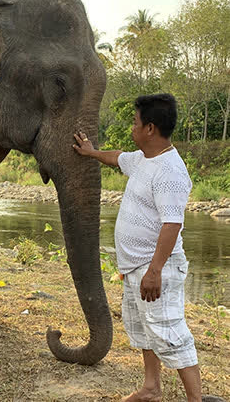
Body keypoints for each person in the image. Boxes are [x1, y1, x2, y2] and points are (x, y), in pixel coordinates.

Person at [73, 93, 201, 402]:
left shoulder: (169, 171)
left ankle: (196, 400)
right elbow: (118, 157)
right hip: (135, 267)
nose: (132, 127)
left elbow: (172, 224)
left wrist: (154, 271)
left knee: (170, 333)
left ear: (150, 129)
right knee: (144, 328)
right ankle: (151, 387)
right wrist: (91, 153)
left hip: (156, 267)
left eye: (135, 122)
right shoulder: (145, 159)